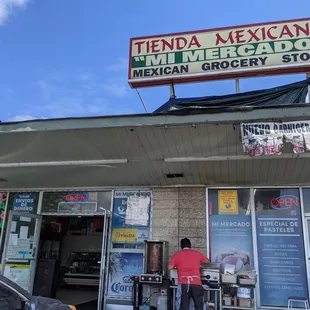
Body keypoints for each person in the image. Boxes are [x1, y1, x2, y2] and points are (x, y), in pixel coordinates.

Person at [168, 238, 210, 310]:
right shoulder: (197, 253)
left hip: (183, 284)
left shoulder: (177, 255)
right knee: (199, 306)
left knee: (183, 306)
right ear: (190, 245)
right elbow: (207, 261)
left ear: (181, 246)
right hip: (196, 283)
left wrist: (177, 265)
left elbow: (169, 267)